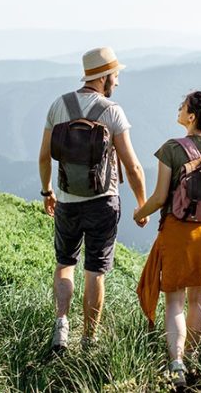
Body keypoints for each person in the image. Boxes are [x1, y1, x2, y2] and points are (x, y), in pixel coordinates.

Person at [38, 46, 148, 353]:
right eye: (115, 75)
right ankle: (89, 338)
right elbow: (132, 165)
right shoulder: (112, 112)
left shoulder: (59, 105)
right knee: (95, 271)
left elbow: (44, 157)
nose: (117, 81)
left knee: (64, 264)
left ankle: (61, 325)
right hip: (103, 201)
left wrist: (47, 191)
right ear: (104, 77)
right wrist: (142, 204)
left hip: (67, 200)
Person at [133, 91, 201, 388]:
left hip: (178, 232)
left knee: (174, 302)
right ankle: (191, 356)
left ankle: (176, 363)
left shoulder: (171, 149)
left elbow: (159, 197)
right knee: (197, 299)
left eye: (182, 106)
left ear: (191, 116)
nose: (178, 109)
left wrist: (138, 213)